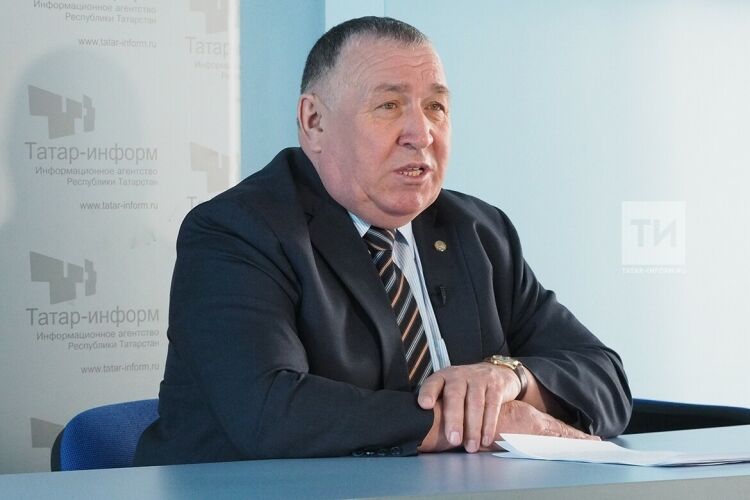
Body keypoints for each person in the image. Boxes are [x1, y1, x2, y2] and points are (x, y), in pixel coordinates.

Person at [135, 16, 631, 466]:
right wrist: (485, 422)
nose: (421, 132)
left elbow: (605, 380)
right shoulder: (237, 231)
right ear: (314, 122)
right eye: (389, 106)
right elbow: (272, 413)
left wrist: (510, 379)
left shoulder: (478, 231)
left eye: (436, 107)